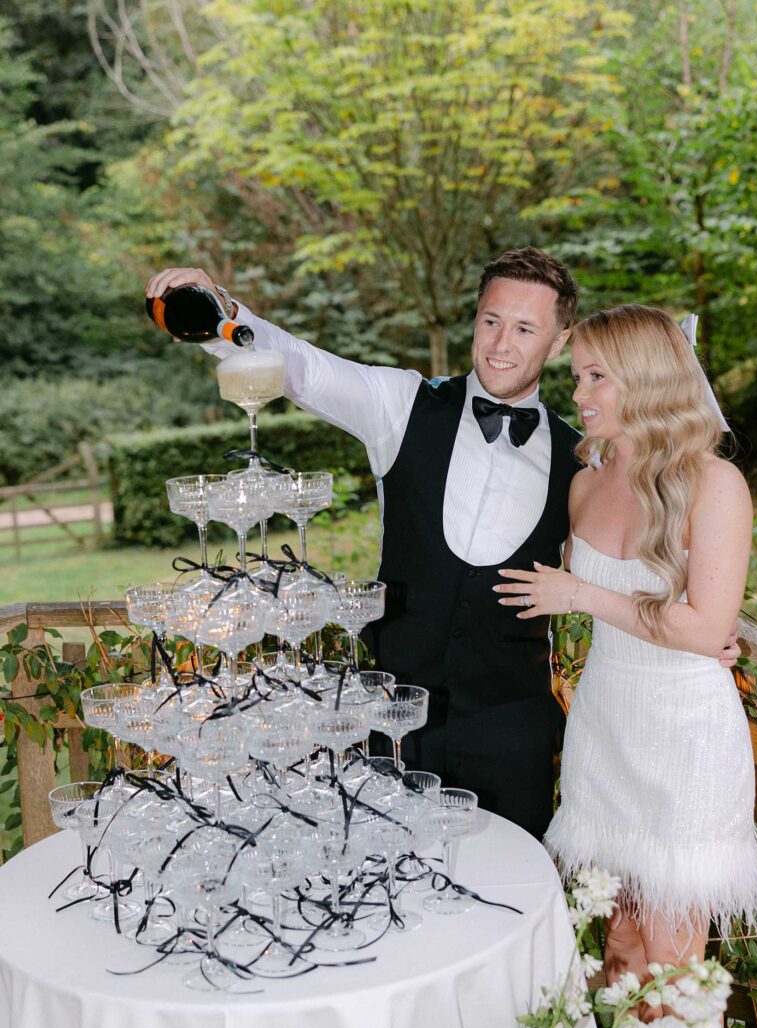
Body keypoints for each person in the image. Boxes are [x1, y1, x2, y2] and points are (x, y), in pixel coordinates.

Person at [146, 247, 583, 839]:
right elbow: (300, 367)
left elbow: (634, 548)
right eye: (491, 320)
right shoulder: (400, 403)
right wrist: (221, 306)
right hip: (395, 712)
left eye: (526, 328)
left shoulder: (583, 455)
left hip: (513, 728)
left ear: (559, 342)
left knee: (516, 886)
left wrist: (689, 629)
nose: (501, 344)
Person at [494, 303, 757, 1028]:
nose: (579, 392)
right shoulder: (584, 478)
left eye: (594, 376)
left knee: (680, 954)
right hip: (608, 724)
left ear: (644, 379)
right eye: (578, 375)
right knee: (618, 932)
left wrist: (581, 595)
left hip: (682, 733)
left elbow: (702, 626)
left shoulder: (712, 484)